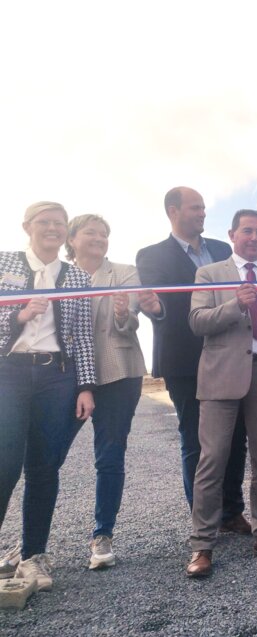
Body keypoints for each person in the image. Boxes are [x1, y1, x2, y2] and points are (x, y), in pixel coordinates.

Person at [185, 210, 257, 578]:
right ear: (232, 234)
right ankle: (202, 545)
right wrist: (235, 303)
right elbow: (197, 322)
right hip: (221, 376)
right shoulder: (209, 274)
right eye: (248, 231)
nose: (254, 237)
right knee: (213, 461)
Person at [136, 187, 249, 534]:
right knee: (196, 440)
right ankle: (204, 516)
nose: (202, 213)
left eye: (203, 207)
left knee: (235, 436)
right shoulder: (151, 255)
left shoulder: (221, 249)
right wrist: (156, 309)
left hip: (228, 357)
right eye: (195, 208)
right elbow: (160, 305)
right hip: (185, 359)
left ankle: (231, 511)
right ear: (173, 211)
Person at [0, 202, 95, 591]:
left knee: (43, 466)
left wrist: (86, 386)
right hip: (9, 371)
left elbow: (84, 333)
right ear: (28, 226)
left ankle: (33, 556)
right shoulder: (4, 261)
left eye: (59, 224)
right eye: (45, 223)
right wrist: (16, 316)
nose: (52, 229)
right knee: (4, 463)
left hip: (57, 375)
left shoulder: (76, 276)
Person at [65, 214, 163, 569]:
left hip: (119, 372)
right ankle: (32, 544)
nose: (99, 238)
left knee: (109, 454)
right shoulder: (60, 276)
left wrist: (123, 313)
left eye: (104, 233)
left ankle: (102, 534)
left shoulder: (123, 272)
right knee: (46, 456)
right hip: (66, 376)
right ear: (71, 238)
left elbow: (132, 320)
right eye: (91, 232)